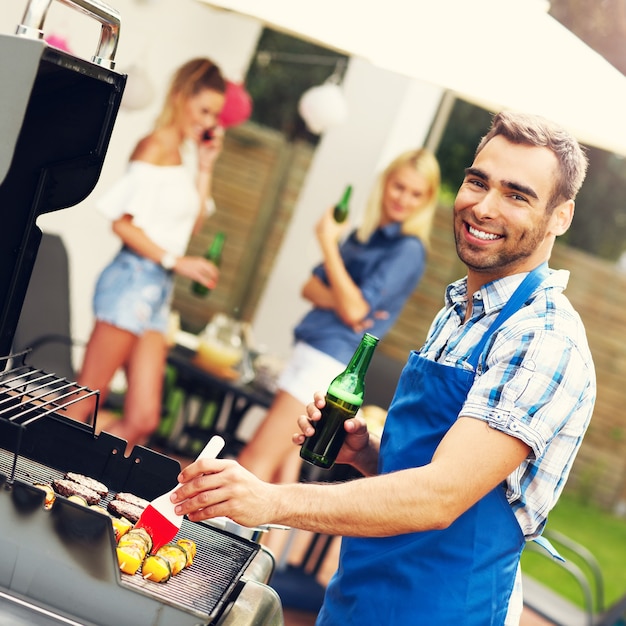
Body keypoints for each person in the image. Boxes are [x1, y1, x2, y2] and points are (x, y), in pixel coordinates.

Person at [169, 111, 596, 625]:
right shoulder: (458, 311)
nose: (483, 207)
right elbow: (427, 468)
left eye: (516, 194)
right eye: (477, 182)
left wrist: (271, 501)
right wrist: (367, 453)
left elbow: (441, 496)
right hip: (359, 595)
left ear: (560, 217)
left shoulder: (543, 339)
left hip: (438, 610)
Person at [237, 148, 441, 484]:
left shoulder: (408, 250)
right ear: (384, 184)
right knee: (281, 471)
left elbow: (355, 309)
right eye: (398, 186)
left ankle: (215, 536)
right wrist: (346, 301)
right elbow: (311, 288)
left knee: (252, 461)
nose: (404, 199)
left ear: (428, 200)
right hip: (313, 348)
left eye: (416, 193)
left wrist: (328, 243)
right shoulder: (365, 235)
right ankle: (261, 538)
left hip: (328, 362)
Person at [70, 58, 226, 451]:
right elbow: (121, 224)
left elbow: (188, 228)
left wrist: (206, 167)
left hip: (157, 292)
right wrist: (176, 261)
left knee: (143, 417)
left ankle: (81, 471)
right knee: (84, 402)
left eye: (216, 114)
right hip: (132, 281)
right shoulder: (154, 145)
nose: (210, 122)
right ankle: (38, 475)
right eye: (204, 109)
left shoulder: (188, 155)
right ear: (180, 96)